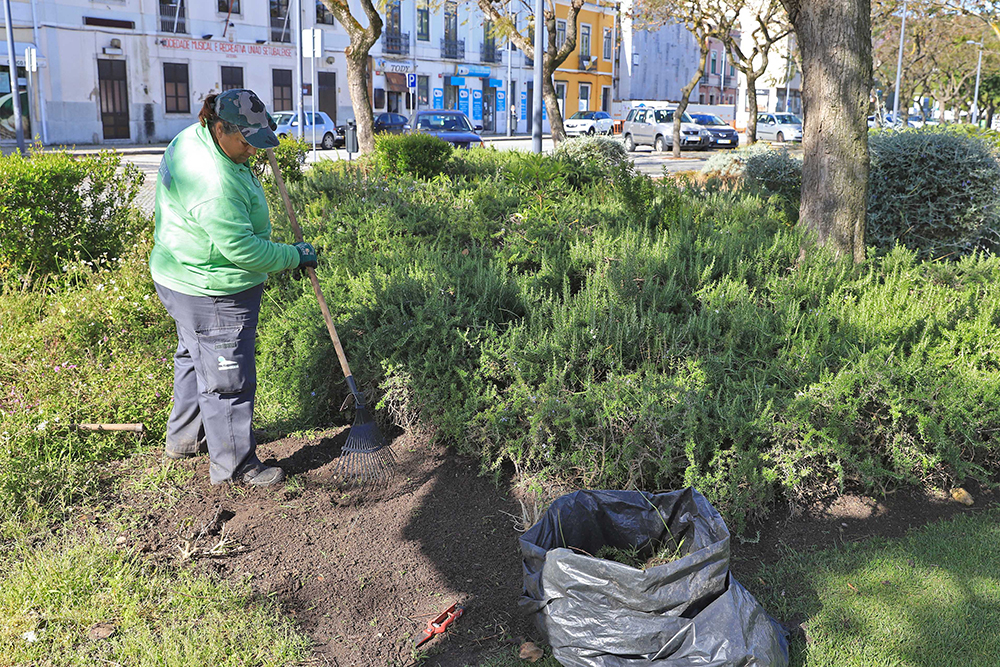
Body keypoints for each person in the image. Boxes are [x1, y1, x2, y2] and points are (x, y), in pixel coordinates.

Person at [149, 89, 317, 487]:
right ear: (221, 127)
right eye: (246, 142)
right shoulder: (214, 181)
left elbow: (246, 147)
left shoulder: (194, 136)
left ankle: (185, 440)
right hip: (213, 290)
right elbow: (244, 250)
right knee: (228, 378)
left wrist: (255, 137)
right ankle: (235, 468)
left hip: (178, 275)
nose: (253, 151)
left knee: (194, 356)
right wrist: (294, 256)